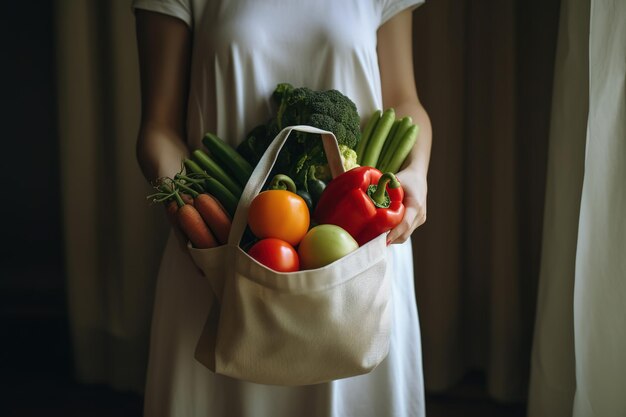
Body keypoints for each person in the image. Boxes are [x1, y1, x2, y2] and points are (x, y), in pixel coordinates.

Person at [132, 0, 432, 416]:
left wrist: (417, 173)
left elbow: (405, 101)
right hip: (223, 261)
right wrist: (185, 207)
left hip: (360, 262)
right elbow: (157, 127)